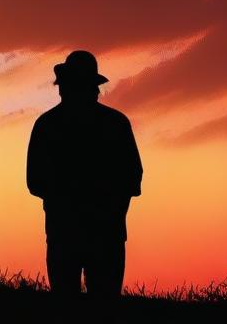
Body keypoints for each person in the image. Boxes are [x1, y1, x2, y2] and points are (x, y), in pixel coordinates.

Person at [27, 50, 142, 314]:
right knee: (103, 306)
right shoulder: (116, 124)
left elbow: (34, 182)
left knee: (66, 306)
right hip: (103, 232)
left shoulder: (47, 125)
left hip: (67, 232)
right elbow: (133, 179)